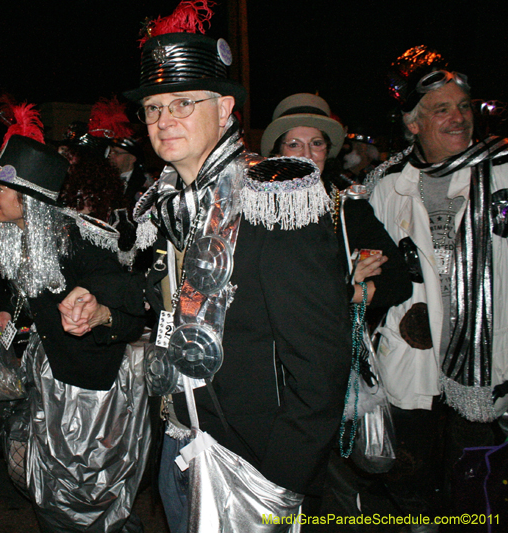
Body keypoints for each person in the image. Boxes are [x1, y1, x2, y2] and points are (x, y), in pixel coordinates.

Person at [124, 2, 351, 531]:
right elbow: (160, 307)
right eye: (154, 108)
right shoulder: (166, 203)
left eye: (183, 102)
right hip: (178, 444)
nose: (164, 119)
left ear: (225, 108)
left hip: (252, 465)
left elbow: (320, 360)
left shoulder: (273, 197)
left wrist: (280, 478)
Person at [0, 102, 149, 532]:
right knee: (53, 497)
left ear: (30, 199)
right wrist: (8, 311)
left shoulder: (80, 243)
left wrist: (100, 316)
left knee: (94, 505)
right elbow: (22, 287)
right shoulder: (22, 235)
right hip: (51, 383)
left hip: (92, 396)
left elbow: (133, 311)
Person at [366, 45, 508, 525]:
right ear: (412, 124)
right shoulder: (385, 187)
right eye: (441, 109)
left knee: (478, 478)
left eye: (463, 106)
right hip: (414, 357)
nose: (458, 117)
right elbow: (374, 274)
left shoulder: (503, 170)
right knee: (410, 475)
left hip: (487, 354)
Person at [262, 93, 412, 320]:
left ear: (327, 151)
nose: (307, 155)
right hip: (268, 346)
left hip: (327, 342)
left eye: (317, 143)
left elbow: (398, 284)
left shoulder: (348, 211)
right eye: (294, 145)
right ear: (277, 153)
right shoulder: (255, 210)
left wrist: (346, 291)